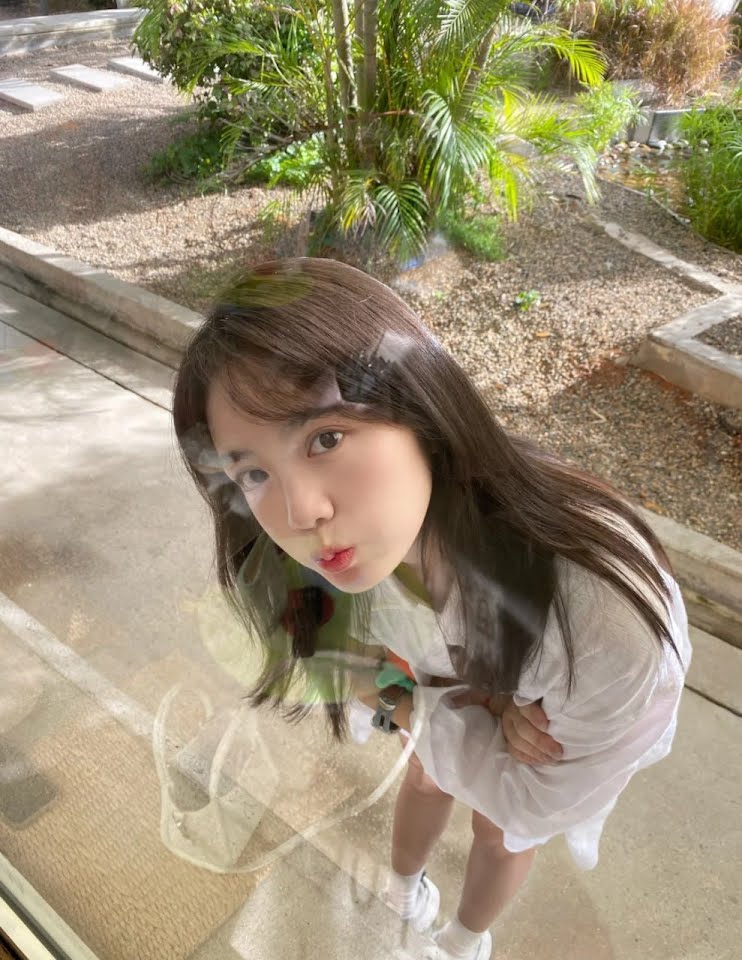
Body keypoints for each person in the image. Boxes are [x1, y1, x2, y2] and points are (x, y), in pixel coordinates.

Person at [172, 257, 691, 960]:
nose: (299, 513)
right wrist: (440, 705)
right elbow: (359, 674)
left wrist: (419, 702)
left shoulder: (604, 621)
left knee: (500, 833)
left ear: (421, 404)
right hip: (478, 682)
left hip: (564, 705)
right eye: (254, 472)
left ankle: (463, 941)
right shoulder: (338, 561)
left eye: (325, 438)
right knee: (427, 770)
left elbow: (532, 799)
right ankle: (403, 890)